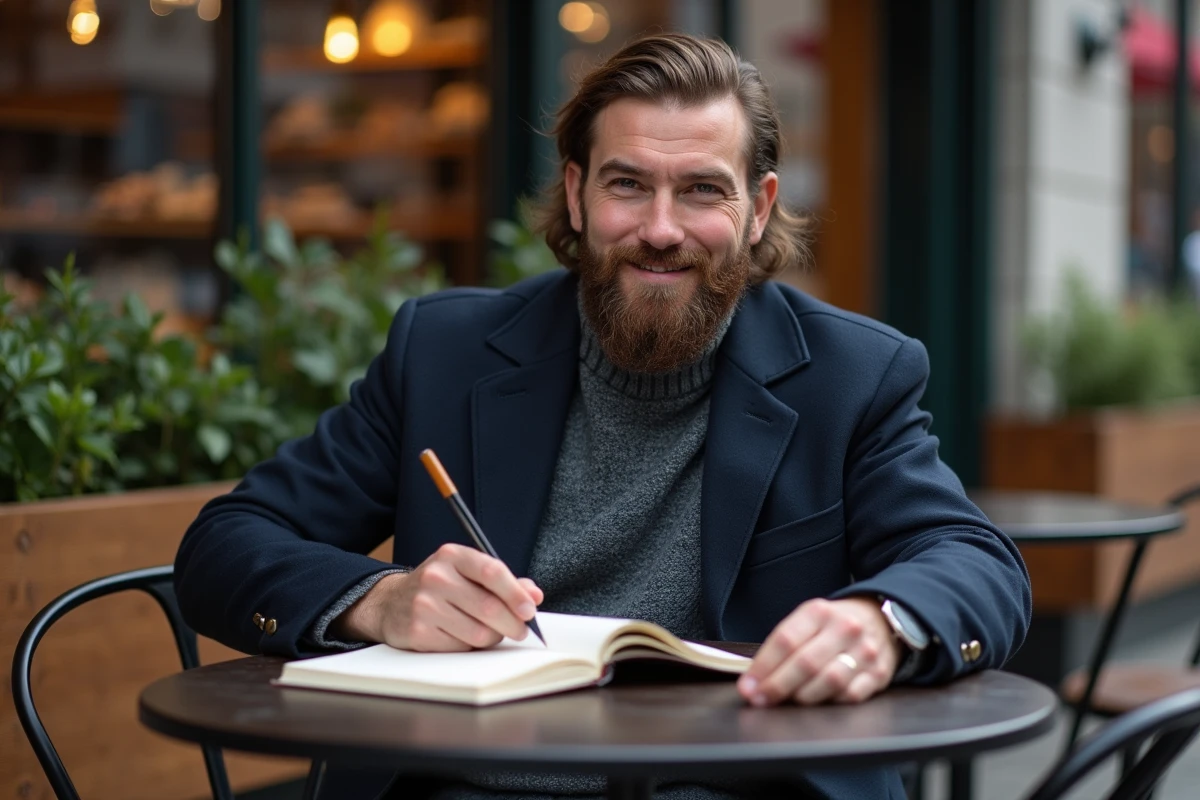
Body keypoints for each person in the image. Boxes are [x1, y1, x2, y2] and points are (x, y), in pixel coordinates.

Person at [175, 32, 1031, 800]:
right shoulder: (443, 353)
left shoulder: (854, 375)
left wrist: (873, 622)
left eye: (702, 190)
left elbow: (976, 563)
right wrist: (381, 601)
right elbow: (226, 544)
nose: (662, 230)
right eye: (629, 185)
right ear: (578, 196)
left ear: (759, 208)